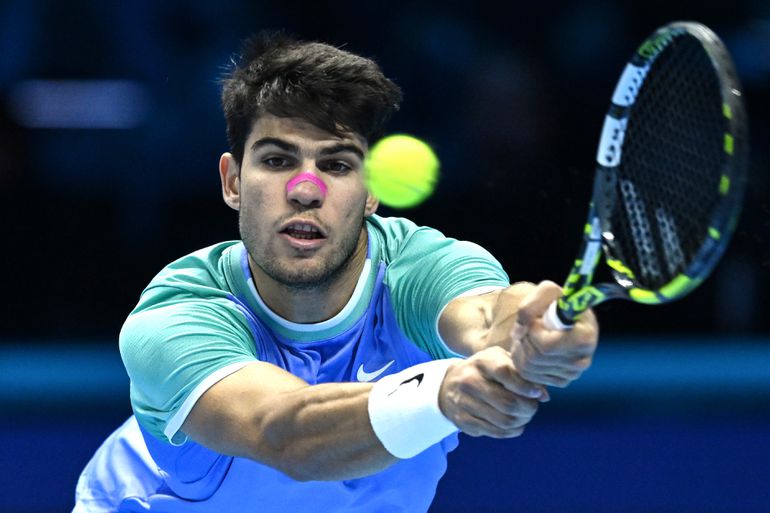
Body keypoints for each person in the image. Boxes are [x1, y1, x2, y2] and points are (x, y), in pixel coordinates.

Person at [73, 31, 598, 513]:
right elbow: (285, 434)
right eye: (278, 161)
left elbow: (485, 318)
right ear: (233, 182)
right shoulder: (177, 316)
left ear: (371, 191)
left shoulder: (422, 268)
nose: (306, 190)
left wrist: (530, 332)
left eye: (337, 165)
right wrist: (440, 391)